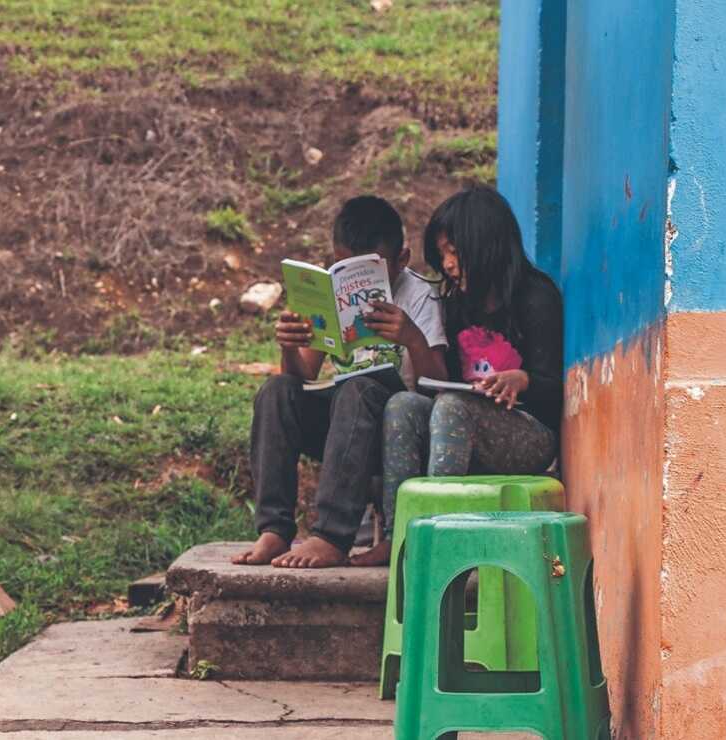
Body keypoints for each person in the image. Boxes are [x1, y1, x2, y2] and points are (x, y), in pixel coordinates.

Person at [349, 185, 563, 567]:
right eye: (443, 254)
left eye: (455, 251)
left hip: (528, 436)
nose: (448, 264)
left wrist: (523, 379)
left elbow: (555, 391)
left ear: (487, 244)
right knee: (403, 405)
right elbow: (440, 382)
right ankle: (401, 535)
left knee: (451, 407)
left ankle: (438, 535)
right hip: (460, 426)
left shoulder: (536, 296)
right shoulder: (457, 305)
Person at [232, 195, 448, 568]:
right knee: (275, 391)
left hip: (393, 428)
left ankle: (331, 535)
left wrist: (413, 338)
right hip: (341, 426)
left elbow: (441, 386)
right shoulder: (327, 294)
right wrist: (290, 346)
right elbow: (303, 375)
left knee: (357, 388)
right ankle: (274, 529)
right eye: (344, 267)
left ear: (402, 259)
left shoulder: (421, 297)